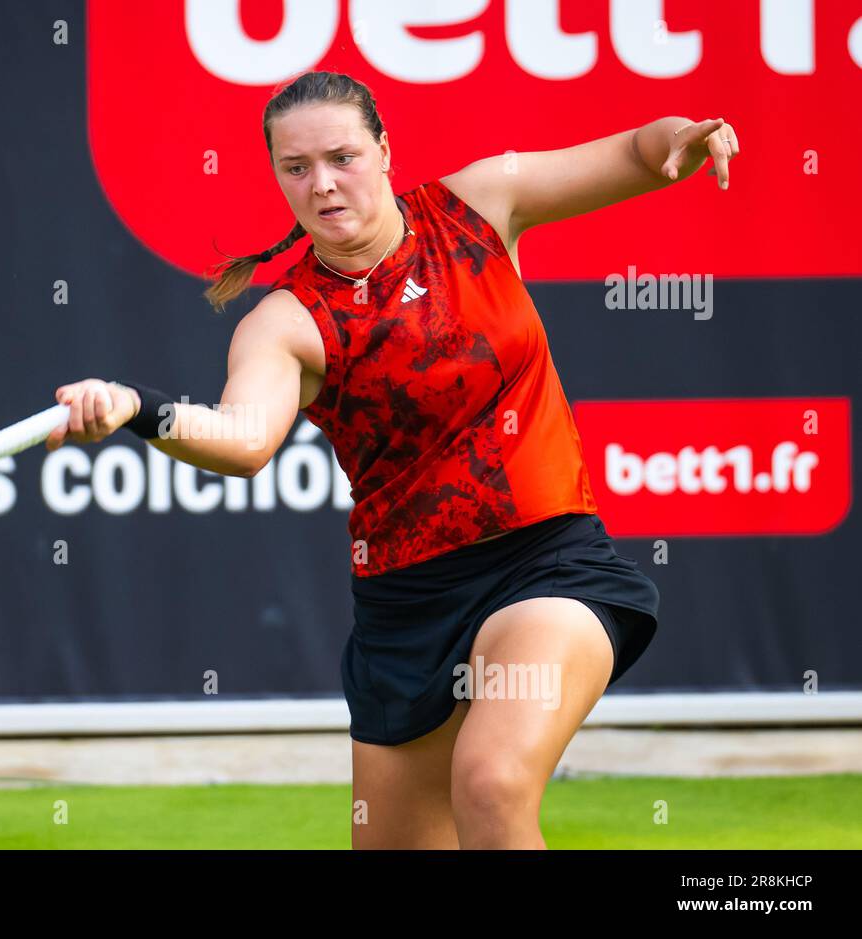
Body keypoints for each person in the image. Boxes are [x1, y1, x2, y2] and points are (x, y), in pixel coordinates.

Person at [46, 71, 739, 849]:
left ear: (384, 150)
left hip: (546, 564)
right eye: (296, 168)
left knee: (493, 780)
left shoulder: (479, 204)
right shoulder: (285, 322)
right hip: (406, 610)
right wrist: (141, 408)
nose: (323, 184)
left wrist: (676, 135)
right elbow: (243, 440)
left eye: (342, 156)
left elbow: (634, 155)